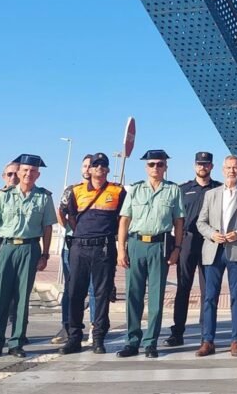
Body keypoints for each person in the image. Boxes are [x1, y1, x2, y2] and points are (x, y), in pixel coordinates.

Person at [0, 154, 56, 358]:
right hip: (7, 247)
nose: (28, 174)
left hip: (30, 249)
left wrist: (45, 254)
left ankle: (17, 342)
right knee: (2, 294)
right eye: (25, 171)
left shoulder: (44, 197)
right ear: (19, 173)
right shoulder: (5, 195)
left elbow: (47, 228)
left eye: (32, 171)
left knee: (22, 297)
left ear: (38, 174)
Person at [116, 150, 184, 359]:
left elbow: (179, 222)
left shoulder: (173, 190)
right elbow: (125, 220)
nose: (156, 168)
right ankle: (132, 341)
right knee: (133, 295)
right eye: (152, 164)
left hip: (159, 246)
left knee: (156, 296)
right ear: (146, 167)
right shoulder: (135, 190)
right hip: (136, 244)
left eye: (160, 164)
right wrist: (121, 248)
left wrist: (177, 249)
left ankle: (150, 342)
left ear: (165, 167)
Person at [58, 152, 126, 355]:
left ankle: (98, 338)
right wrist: (77, 230)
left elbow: (124, 218)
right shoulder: (75, 190)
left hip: (104, 247)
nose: (99, 168)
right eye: (95, 165)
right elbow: (63, 213)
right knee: (75, 293)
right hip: (79, 247)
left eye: (103, 165)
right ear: (89, 169)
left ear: (107, 169)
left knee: (101, 294)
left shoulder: (117, 191)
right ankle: (74, 338)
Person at [195, 155, 237, 357]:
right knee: (209, 297)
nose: (232, 171)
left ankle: (235, 339)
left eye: (235, 167)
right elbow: (201, 222)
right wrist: (212, 234)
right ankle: (208, 340)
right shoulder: (211, 194)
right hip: (214, 250)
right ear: (222, 170)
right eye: (228, 167)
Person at [165, 151, 221, 347]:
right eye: (199, 164)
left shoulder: (218, 189)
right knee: (183, 288)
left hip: (210, 241)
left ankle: (207, 335)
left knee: (209, 290)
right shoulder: (183, 189)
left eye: (206, 164)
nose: (202, 167)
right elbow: (175, 217)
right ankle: (177, 332)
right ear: (194, 165)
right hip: (187, 240)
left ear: (211, 166)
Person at [51, 154, 93, 345]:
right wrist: (71, 228)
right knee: (70, 288)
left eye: (90, 166)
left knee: (93, 289)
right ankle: (67, 326)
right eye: (84, 165)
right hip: (72, 245)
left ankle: (94, 327)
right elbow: (61, 212)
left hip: (94, 245)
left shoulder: (106, 190)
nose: (87, 169)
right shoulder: (71, 190)